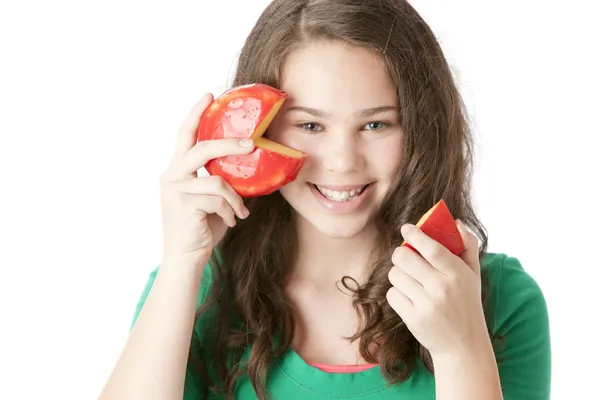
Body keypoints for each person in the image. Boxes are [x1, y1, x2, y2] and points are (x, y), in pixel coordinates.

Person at [97, 0, 551, 399]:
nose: (340, 161)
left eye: (376, 125)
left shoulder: (501, 299)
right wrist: (181, 262)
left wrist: (459, 349)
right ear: (257, 132)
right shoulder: (191, 288)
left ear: (421, 129)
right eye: (310, 126)